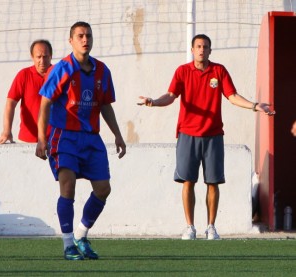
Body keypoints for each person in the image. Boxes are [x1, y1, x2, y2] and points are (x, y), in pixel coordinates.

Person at [138, 34, 275, 240]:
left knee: (213, 182)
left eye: (206, 47)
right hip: (187, 134)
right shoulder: (182, 71)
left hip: (213, 136)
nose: (202, 50)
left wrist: (255, 106)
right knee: (187, 182)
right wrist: (154, 101)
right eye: (199, 46)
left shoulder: (218, 71)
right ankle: (189, 227)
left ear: (210, 51)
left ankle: (211, 227)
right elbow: (171, 96)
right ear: (192, 50)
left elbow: (232, 96)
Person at [35, 22, 126, 260]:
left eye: (88, 36)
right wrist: (41, 138)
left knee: (103, 189)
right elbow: (45, 102)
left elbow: (105, 104)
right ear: (71, 41)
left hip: (91, 138)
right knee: (68, 186)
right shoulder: (63, 68)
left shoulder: (102, 70)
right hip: (64, 136)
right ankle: (67, 245)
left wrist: (117, 134)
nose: (85, 39)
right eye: (80, 36)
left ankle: (81, 235)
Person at [0, 39, 52, 144]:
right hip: (28, 139)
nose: (42, 61)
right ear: (32, 57)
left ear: (51, 56)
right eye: (38, 57)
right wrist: (7, 130)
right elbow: (10, 103)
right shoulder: (24, 75)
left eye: (45, 56)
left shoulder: (58, 75)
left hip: (54, 139)